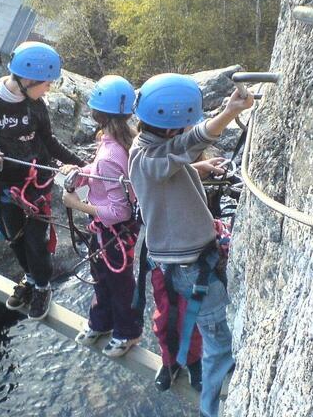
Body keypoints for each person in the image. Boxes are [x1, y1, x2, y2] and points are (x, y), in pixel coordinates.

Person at [128, 73, 254, 417]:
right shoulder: (146, 158)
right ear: (172, 128)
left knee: (184, 323)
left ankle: (183, 365)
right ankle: (212, 408)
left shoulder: (148, 149)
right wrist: (228, 113)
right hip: (191, 266)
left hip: (181, 262)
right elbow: (182, 148)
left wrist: (198, 168)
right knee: (219, 343)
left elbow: (174, 163)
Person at [0, 41, 85, 320]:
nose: (48, 89)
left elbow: (49, 141)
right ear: (27, 80)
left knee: (36, 242)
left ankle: (42, 287)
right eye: (45, 83)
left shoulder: (36, 106)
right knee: (14, 239)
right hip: (3, 187)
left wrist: (83, 165)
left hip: (36, 185)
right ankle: (30, 279)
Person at [60, 75, 143, 357]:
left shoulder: (110, 152)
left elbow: (119, 210)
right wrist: (81, 175)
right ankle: (102, 322)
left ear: (96, 113)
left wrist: (76, 204)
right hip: (113, 231)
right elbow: (105, 176)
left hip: (113, 230)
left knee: (117, 283)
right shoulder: (120, 140)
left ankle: (128, 333)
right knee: (101, 276)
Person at [150, 154, 227, 392]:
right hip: (165, 258)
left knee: (193, 320)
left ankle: (194, 362)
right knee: (166, 316)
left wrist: (195, 168)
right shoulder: (149, 161)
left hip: (192, 261)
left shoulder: (183, 168)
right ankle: (170, 361)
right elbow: (156, 174)